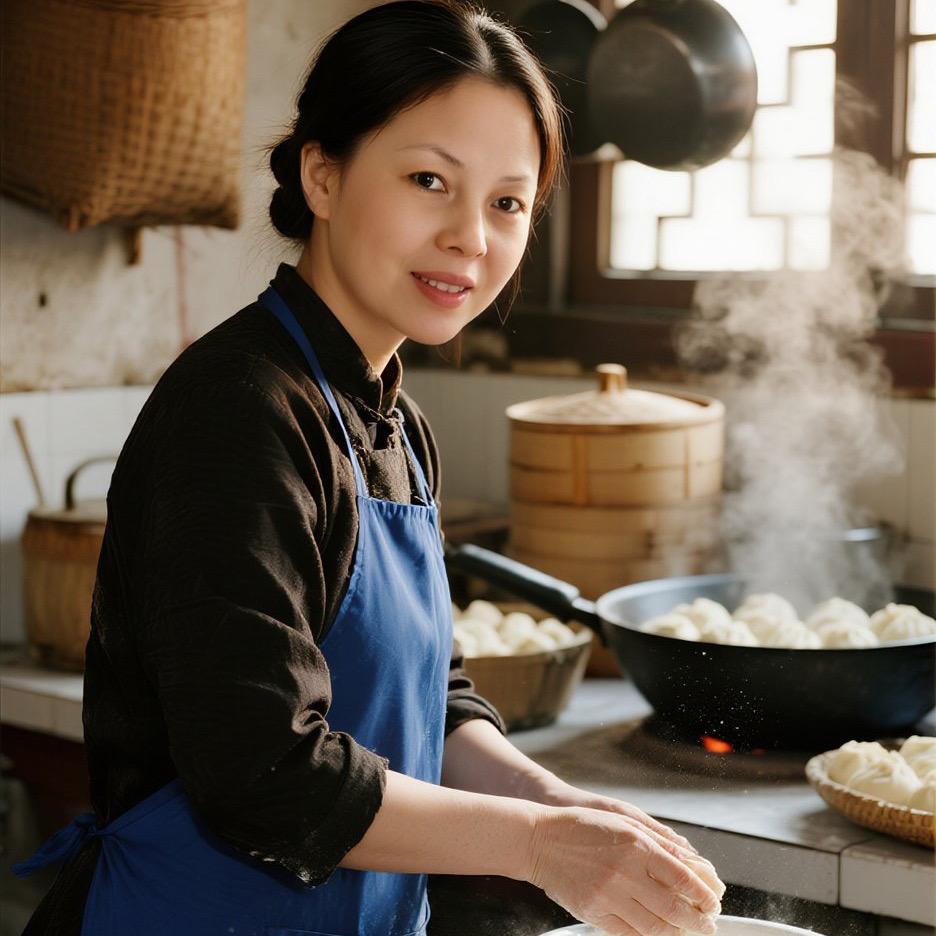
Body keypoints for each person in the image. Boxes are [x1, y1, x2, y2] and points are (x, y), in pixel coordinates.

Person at [13, 2, 725, 934]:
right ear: (322, 172)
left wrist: (556, 804)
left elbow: (434, 697)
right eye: (430, 180)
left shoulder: (397, 423)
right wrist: (536, 846)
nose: (473, 236)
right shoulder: (237, 410)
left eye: (508, 201)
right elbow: (260, 767)